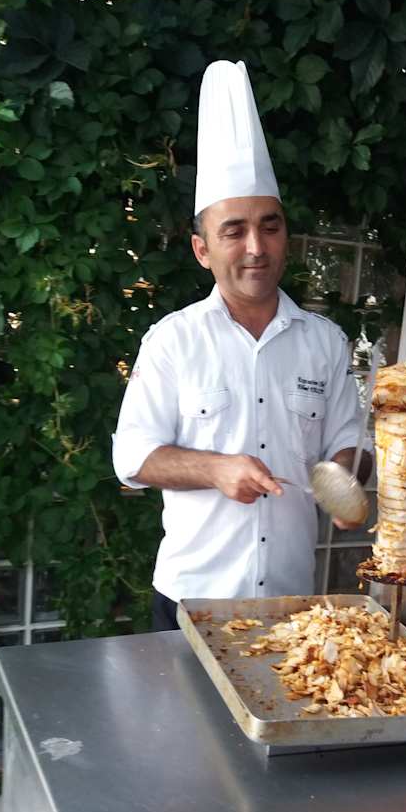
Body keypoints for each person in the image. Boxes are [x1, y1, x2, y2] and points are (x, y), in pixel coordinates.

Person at [112, 60, 372, 631]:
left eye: (270, 226)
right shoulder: (173, 340)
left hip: (290, 607)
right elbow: (131, 457)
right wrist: (214, 469)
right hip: (190, 605)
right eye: (234, 230)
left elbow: (349, 439)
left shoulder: (325, 343)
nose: (256, 247)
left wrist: (343, 480)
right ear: (202, 250)